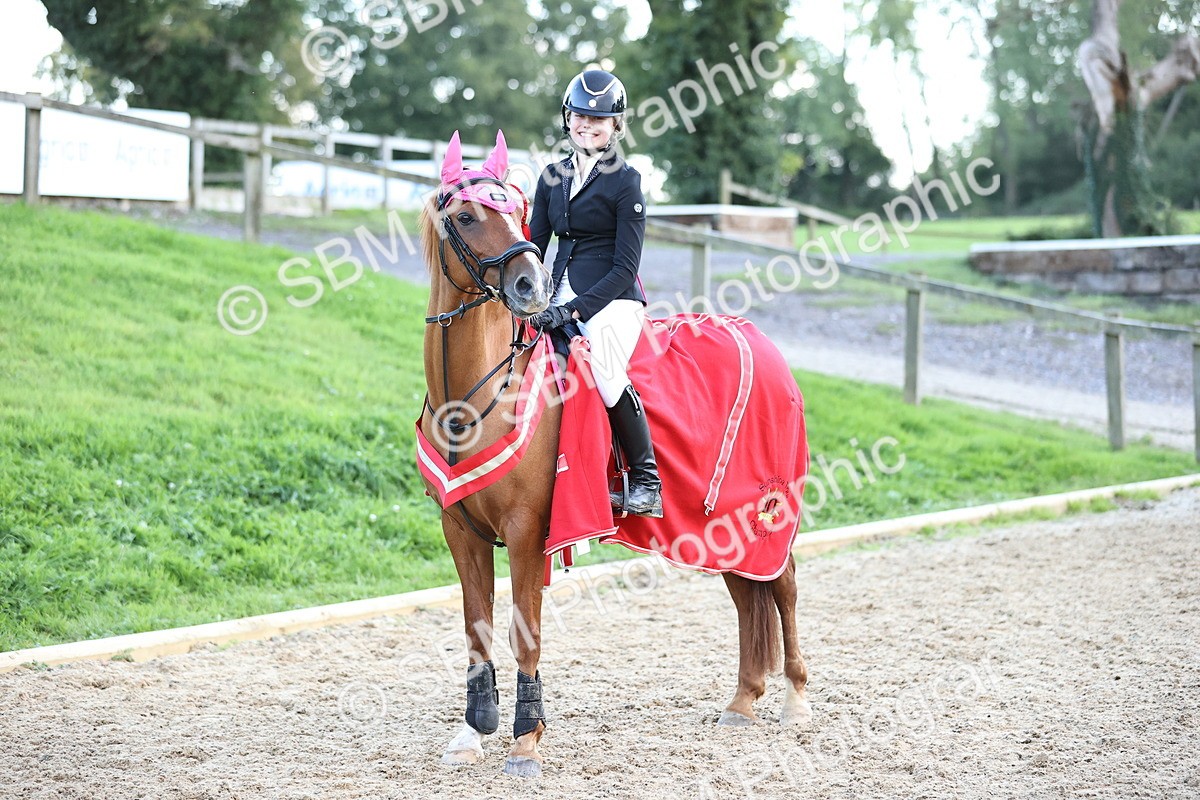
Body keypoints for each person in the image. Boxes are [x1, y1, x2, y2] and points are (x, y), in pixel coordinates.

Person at [527, 68, 662, 519]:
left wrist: (570, 312)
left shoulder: (626, 181)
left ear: (615, 127)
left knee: (603, 369)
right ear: (567, 119)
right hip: (558, 294)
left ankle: (646, 481)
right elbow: (534, 246)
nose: (587, 124)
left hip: (615, 299)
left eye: (598, 119)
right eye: (580, 116)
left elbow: (627, 267)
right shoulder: (550, 178)